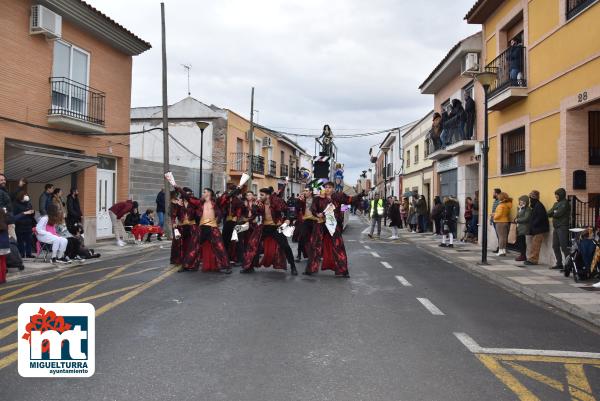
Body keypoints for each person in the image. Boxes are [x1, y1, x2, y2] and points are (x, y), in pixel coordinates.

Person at [241, 184, 297, 275]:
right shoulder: (260, 203)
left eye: (262, 195)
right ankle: (249, 267)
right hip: (265, 227)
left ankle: (293, 267)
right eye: (260, 195)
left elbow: (288, 211)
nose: (260, 197)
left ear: (268, 195)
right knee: (254, 245)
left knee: (285, 246)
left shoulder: (277, 201)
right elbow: (254, 214)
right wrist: (252, 211)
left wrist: (288, 220)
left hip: (276, 228)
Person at [177, 186, 231, 274]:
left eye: (204, 192)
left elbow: (226, 197)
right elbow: (188, 198)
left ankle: (226, 267)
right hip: (202, 228)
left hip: (213, 228)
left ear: (209, 193)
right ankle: (186, 266)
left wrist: (238, 187)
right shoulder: (199, 203)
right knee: (193, 247)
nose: (202, 193)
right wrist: (177, 187)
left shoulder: (216, 202)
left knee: (220, 248)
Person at [305, 181, 353, 277]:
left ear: (333, 189)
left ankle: (343, 271)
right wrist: (317, 214)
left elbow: (349, 202)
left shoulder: (338, 197)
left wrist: (361, 195)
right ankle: (310, 269)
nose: (327, 189)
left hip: (332, 225)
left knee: (338, 246)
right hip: (320, 224)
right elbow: (313, 209)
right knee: (315, 246)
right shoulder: (318, 198)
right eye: (326, 187)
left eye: (330, 187)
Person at [524, 190, 550, 266]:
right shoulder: (536, 205)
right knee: (534, 245)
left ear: (534, 198)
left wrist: (534, 224)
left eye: (531, 197)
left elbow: (540, 218)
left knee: (536, 245)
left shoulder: (539, 206)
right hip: (536, 229)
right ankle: (531, 259)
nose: (530, 199)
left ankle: (533, 260)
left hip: (539, 229)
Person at [220, 184, 243, 266]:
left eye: (230, 190)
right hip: (227, 222)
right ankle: (226, 258)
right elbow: (221, 202)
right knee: (225, 240)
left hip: (235, 222)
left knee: (237, 241)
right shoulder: (225, 199)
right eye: (228, 190)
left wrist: (236, 220)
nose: (228, 192)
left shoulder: (238, 201)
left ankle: (239, 259)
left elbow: (239, 212)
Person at [548, 188, 570, 270]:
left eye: (557, 195)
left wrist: (554, 212)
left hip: (562, 227)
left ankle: (568, 264)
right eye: (555, 195)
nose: (556, 196)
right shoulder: (556, 204)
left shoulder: (565, 203)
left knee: (564, 247)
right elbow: (549, 212)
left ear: (561, 195)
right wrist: (554, 212)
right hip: (556, 227)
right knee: (555, 246)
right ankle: (559, 263)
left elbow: (558, 213)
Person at [296, 187, 316, 261]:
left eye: (306, 191)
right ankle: (299, 255)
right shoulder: (302, 200)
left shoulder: (315, 199)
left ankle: (316, 255)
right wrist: (298, 201)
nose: (305, 192)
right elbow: (297, 209)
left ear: (311, 192)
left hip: (315, 221)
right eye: (304, 190)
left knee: (316, 239)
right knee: (301, 237)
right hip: (306, 221)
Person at [13, 191, 35, 258]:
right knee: (20, 241)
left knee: (29, 240)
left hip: (28, 224)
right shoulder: (15, 204)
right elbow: (14, 216)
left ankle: (29, 254)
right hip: (19, 225)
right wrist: (25, 213)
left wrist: (32, 212)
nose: (26, 196)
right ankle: (21, 254)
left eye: (27, 195)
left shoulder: (28, 203)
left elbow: (32, 215)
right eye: (25, 195)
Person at [493, 192, 513, 256]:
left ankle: (500, 251)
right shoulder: (507, 205)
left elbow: (499, 214)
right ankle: (503, 250)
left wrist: (493, 216)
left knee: (501, 237)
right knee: (504, 237)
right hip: (506, 221)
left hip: (500, 222)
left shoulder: (501, 205)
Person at [514, 195, 532, 262]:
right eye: (520, 201)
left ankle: (523, 256)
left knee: (522, 242)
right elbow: (517, 216)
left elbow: (526, 218)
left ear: (525, 202)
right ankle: (522, 254)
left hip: (524, 228)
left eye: (521, 201)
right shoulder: (520, 208)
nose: (520, 202)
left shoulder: (527, 209)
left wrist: (517, 220)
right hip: (519, 227)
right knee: (519, 242)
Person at [169, 191, 183, 267]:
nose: (178, 197)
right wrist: (174, 222)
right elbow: (173, 215)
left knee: (177, 242)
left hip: (177, 225)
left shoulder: (175, 203)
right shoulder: (173, 204)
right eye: (177, 195)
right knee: (177, 242)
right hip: (176, 226)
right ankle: (176, 259)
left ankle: (175, 259)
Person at [0, 208, 12, 284]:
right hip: (5, 245)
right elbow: (12, 217)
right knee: (3, 261)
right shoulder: (5, 221)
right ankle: (3, 279)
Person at [490, 188, 501, 253]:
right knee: (498, 235)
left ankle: (500, 248)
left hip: (498, 220)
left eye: (493, 193)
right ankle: (499, 247)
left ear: (496, 193)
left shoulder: (499, 201)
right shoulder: (495, 200)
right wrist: (491, 220)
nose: (493, 194)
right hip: (494, 220)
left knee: (499, 235)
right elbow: (493, 210)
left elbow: (498, 211)